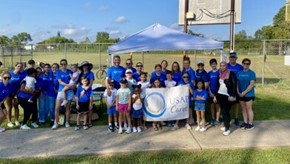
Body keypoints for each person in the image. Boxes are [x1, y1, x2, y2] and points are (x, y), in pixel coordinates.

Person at [214, 61, 237, 136]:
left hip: (228, 95)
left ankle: (228, 129)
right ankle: (226, 125)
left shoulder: (231, 73)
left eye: (224, 65)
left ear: (226, 66)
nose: (222, 67)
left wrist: (232, 95)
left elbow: (234, 84)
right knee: (225, 112)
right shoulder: (219, 74)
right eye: (221, 65)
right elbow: (217, 85)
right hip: (221, 95)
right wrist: (215, 95)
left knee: (225, 111)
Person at [52, 59, 74, 130]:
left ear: (67, 64)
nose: (63, 65)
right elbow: (60, 81)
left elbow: (73, 79)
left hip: (69, 91)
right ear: (60, 65)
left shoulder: (69, 71)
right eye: (62, 64)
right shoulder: (58, 72)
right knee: (57, 108)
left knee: (67, 108)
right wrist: (67, 85)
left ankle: (67, 122)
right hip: (61, 91)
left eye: (64, 64)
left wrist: (71, 84)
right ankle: (56, 122)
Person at [237, 58, 256, 130]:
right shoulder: (239, 73)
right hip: (240, 94)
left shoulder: (252, 73)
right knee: (243, 108)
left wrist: (244, 93)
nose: (246, 65)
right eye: (244, 63)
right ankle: (245, 122)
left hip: (249, 94)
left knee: (249, 109)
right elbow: (237, 84)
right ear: (242, 64)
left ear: (249, 65)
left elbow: (251, 85)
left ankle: (250, 123)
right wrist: (238, 92)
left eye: (247, 64)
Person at [6, 62, 25, 128]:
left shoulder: (21, 75)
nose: (19, 68)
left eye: (21, 67)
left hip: (17, 93)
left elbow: (21, 85)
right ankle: (9, 121)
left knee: (16, 106)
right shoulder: (10, 73)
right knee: (9, 107)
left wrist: (17, 93)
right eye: (18, 66)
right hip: (9, 93)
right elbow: (5, 82)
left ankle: (16, 120)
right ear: (15, 66)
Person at [227, 51, 243, 126]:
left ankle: (236, 117)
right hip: (228, 88)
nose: (232, 59)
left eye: (234, 57)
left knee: (236, 104)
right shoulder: (226, 66)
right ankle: (227, 117)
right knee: (227, 103)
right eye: (231, 57)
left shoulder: (240, 67)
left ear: (236, 58)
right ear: (229, 58)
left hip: (236, 88)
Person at [78, 61, 95, 127]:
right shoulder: (81, 74)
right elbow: (79, 83)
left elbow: (90, 83)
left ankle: (89, 121)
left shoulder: (91, 74)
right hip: (81, 93)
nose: (85, 67)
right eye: (83, 66)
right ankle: (83, 121)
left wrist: (84, 90)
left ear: (88, 66)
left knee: (90, 107)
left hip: (89, 92)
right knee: (82, 108)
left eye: (86, 66)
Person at [208, 58, 221, 126]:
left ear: (216, 64)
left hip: (217, 93)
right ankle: (213, 118)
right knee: (212, 106)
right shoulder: (209, 73)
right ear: (210, 65)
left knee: (217, 106)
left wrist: (215, 95)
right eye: (212, 64)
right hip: (211, 93)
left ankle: (217, 119)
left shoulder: (219, 72)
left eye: (214, 64)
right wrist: (210, 92)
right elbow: (208, 84)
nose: (213, 65)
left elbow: (220, 84)